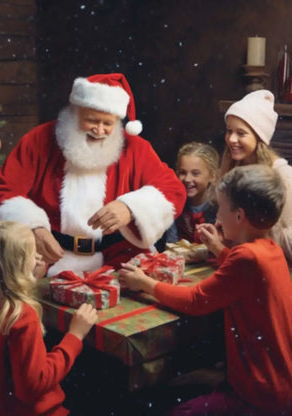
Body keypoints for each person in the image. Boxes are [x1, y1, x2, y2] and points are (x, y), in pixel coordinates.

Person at [119, 164, 292, 415]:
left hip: (262, 395)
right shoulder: (269, 249)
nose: (218, 217)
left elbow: (196, 300)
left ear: (240, 216)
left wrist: (145, 283)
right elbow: (243, 275)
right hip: (279, 383)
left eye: (221, 208)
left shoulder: (246, 256)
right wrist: (219, 250)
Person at [0, 73, 186, 276]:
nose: (99, 130)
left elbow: (172, 190)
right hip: (50, 257)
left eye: (108, 124)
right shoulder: (39, 140)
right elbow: (4, 191)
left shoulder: (135, 148)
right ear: (75, 112)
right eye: (92, 120)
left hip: (119, 257)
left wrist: (129, 208)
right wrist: (32, 229)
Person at [0, 221, 98, 416]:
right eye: (33, 253)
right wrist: (75, 336)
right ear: (20, 265)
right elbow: (33, 386)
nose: (38, 258)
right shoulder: (22, 316)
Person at [219, 89, 292, 267]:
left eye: (241, 133)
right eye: (229, 131)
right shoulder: (235, 168)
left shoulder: (284, 177)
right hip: (241, 263)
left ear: (259, 137)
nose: (232, 139)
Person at [166, 141, 219, 243]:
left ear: (213, 176)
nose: (187, 179)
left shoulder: (220, 209)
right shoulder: (174, 205)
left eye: (195, 173)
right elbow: (171, 243)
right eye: (182, 172)